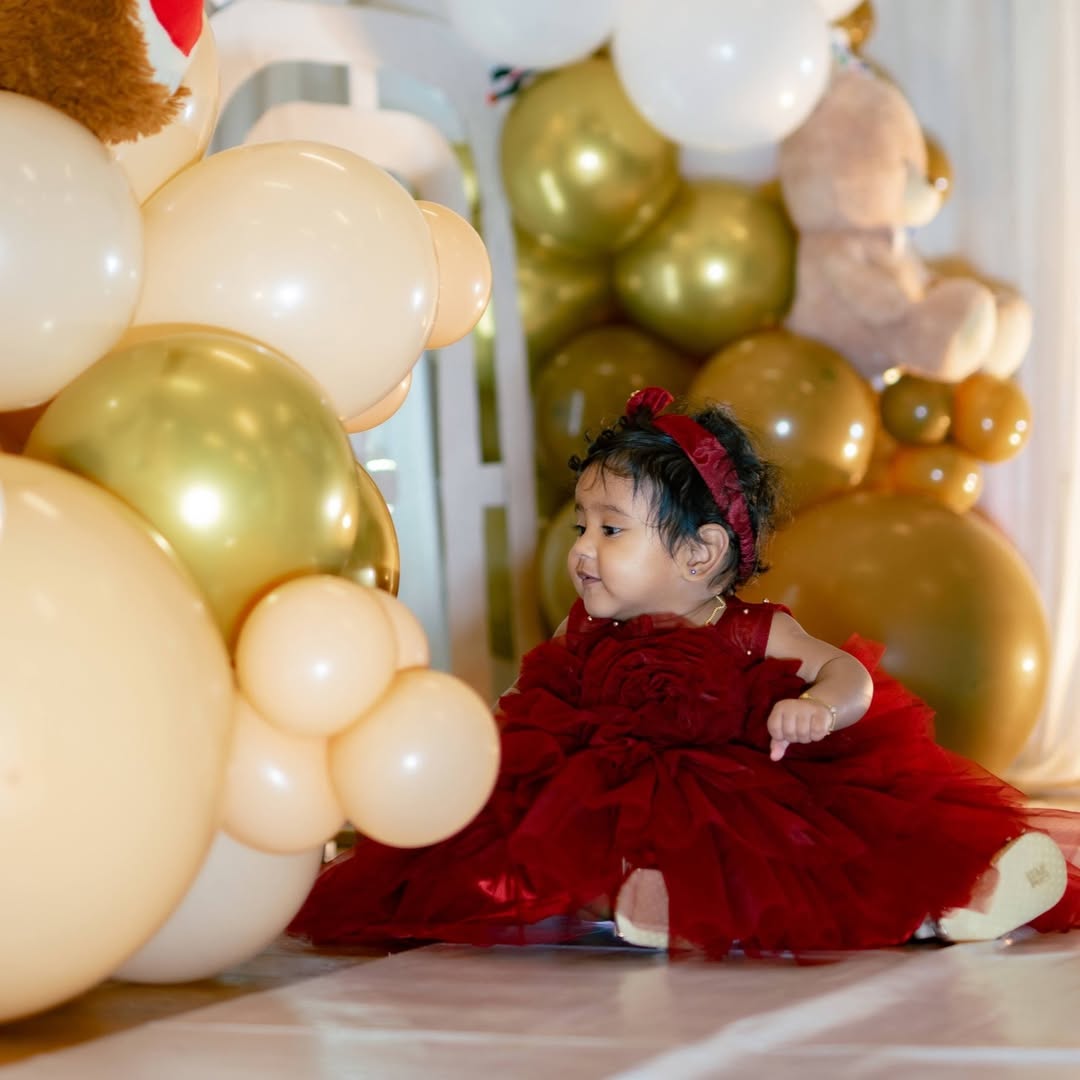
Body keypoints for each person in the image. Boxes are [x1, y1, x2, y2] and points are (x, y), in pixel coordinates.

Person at [290, 387, 1080, 955]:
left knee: (835, 855)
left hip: (736, 797)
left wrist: (820, 706)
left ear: (701, 553)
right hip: (602, 793)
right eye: (582, 525)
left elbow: (851, 676)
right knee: (528, 843)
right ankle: (636, 894)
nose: (581, 549)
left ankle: (953, 899)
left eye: (611, 530)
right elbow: (538, 696)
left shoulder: (749, 631)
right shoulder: (583, 628)